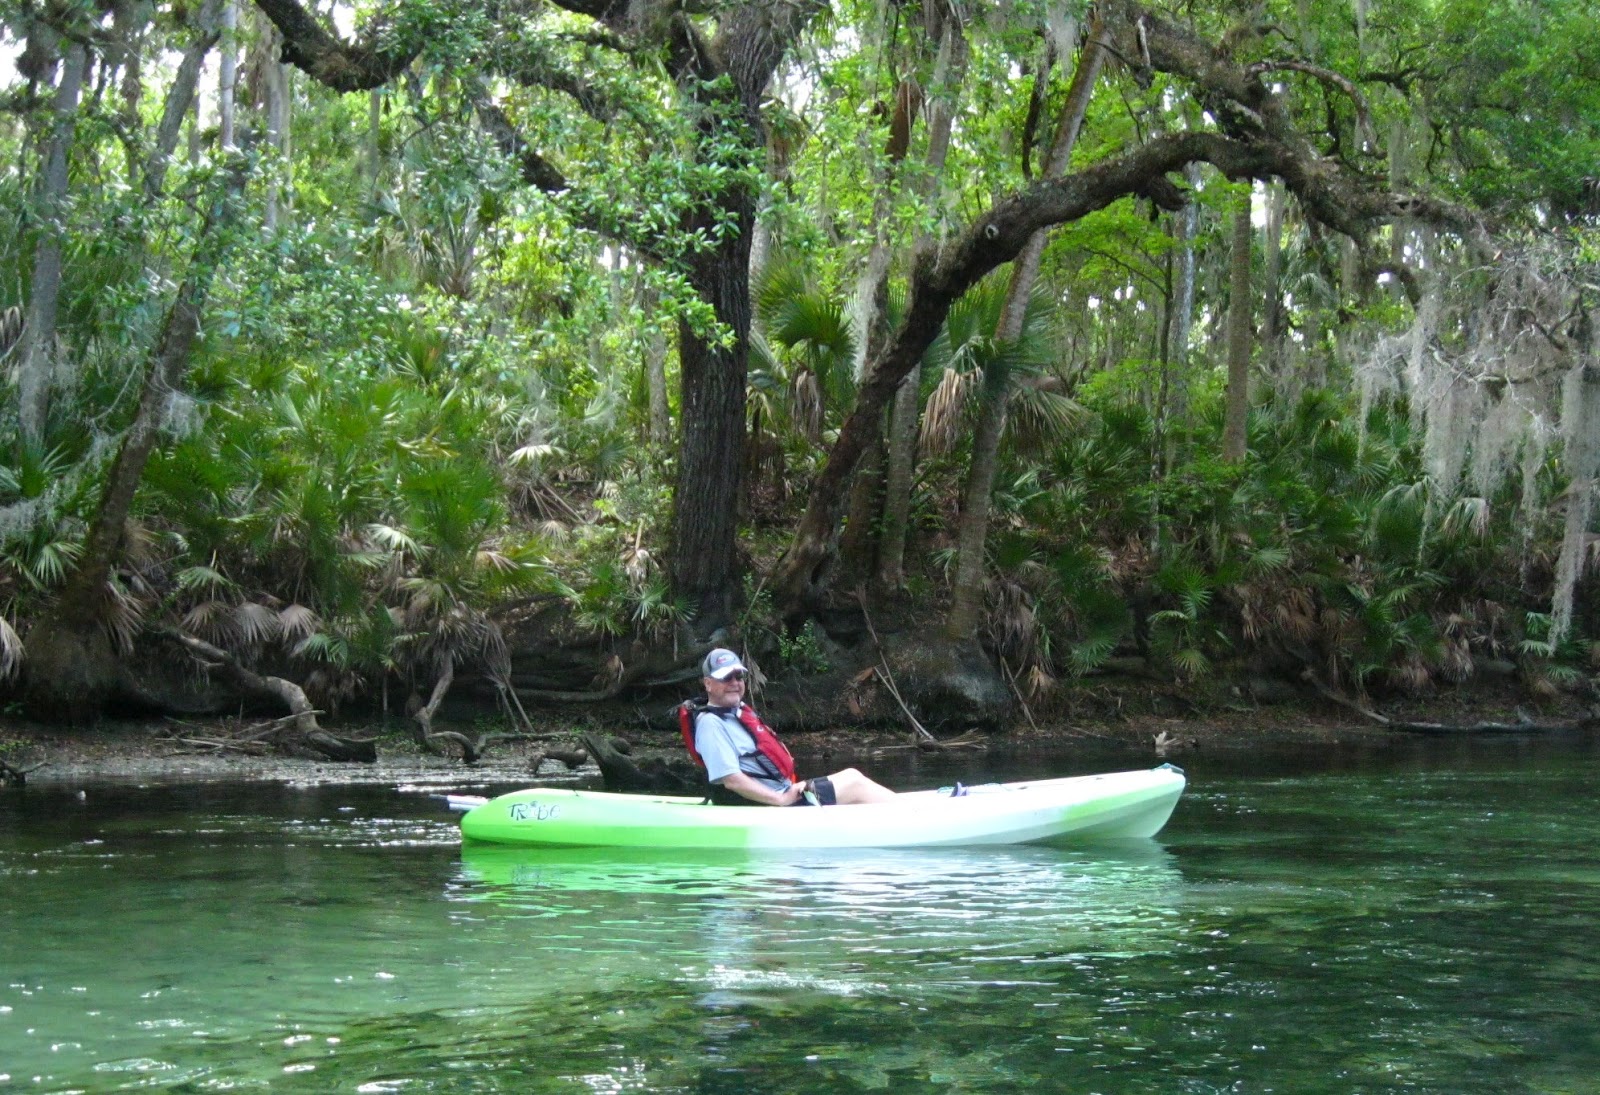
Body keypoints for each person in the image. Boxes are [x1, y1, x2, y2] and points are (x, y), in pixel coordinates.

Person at [688, 648, 898, 806]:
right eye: (726, 677)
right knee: (854, 785)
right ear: (708, 684)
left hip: (782, 792)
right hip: (764, 805)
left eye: (738, 676)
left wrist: (785, 793)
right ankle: (914, 816)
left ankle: (906, 809)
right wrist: (780, 799)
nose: (734, 682)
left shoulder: (735, 713)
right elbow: (732, 781)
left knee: (852, 775)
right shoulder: (710, 724)